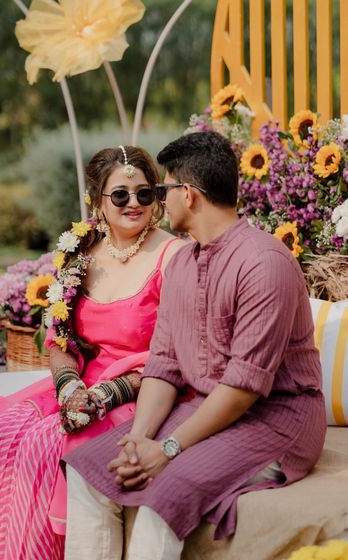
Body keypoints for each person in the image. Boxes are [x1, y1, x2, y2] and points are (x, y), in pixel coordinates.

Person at [63, 131, 326, 560]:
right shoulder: (183, 262)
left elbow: (243, 387)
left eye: (163, 190)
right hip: (205, 409)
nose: (159, 201)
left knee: (162, 491)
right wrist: (139, 439)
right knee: (92, 471)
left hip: (275, 421)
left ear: (188, 194)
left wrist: (166, 449)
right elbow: (163, 365)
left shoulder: (265, 264)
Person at [0, 145, 185, 559]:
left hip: (143, 389)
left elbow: (177, 355)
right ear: (97, 200)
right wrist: (68, 385)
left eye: (144, 194)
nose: (134, 204)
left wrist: (104, 396)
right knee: (8, 432)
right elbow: (59, 342)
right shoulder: (80, 252)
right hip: (80, 384)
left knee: (48, 442)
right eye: (120, 195)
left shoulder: (172, 255)